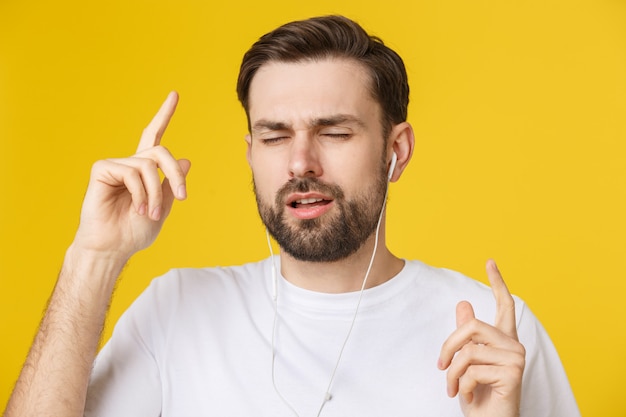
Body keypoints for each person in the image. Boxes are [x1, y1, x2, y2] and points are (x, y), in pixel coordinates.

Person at [4, 15, 579, 417]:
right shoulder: (175, 312)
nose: (301, 162)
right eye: (275, 136)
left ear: (395, 150)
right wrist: (93, 259)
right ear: (251, 152)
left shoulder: (494, 334)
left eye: (334, 132)